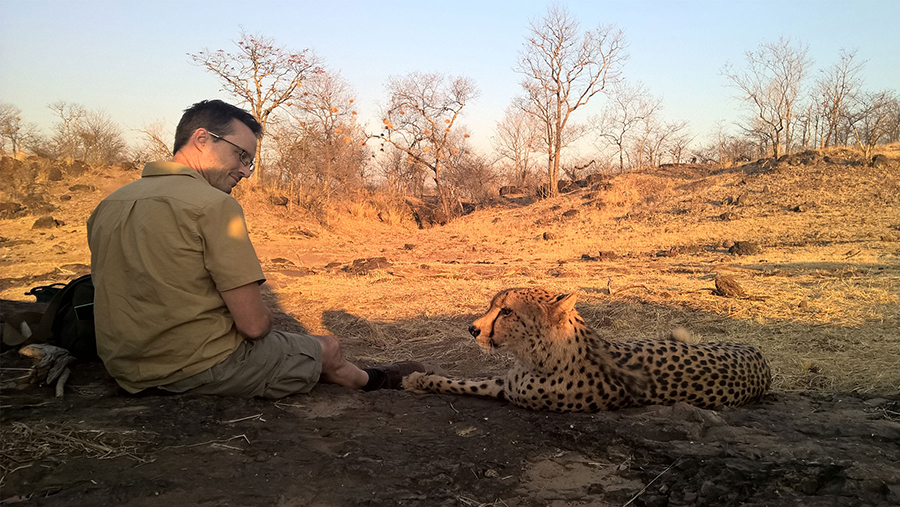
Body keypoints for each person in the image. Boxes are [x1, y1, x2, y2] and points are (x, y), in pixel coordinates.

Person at [87, 99, 425, 398]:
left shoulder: (111, 203)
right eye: (240, 155)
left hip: (125, 368)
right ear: (202, 139)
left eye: (249, 161)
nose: (246, 171)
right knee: (328, 347)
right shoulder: (214, 205)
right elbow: (253, 326)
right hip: (197, 367)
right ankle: (371, 383)